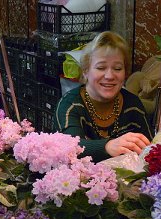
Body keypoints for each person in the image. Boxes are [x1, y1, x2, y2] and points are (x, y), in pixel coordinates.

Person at [54, 31, 153, 162]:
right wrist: (108, 146)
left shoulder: (133, 104)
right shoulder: (70, 105)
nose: (109, 76)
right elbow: (70, 148)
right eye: (101, 68)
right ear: (85, 71)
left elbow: (149, 148)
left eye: (117, 69)